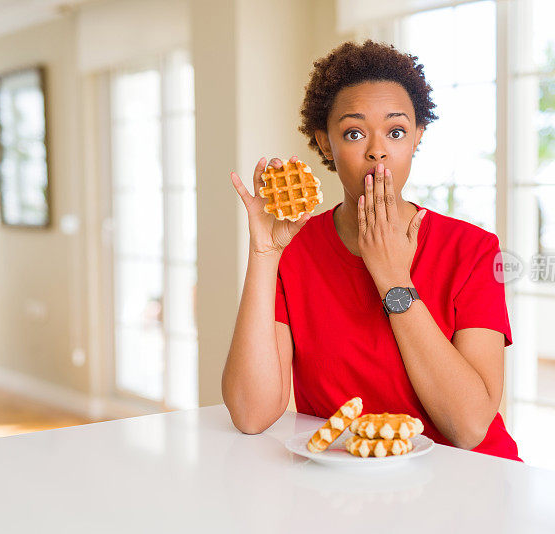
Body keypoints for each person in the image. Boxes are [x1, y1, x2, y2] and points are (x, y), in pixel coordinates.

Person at [223, 40, 522, 462]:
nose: (377, 149)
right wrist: (264, 252)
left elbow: (471, 427)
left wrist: (394, 280)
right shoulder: (294, 250)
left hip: (469, 482)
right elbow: (251, 414)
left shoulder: (473, 250)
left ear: (417, 138)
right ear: (325, 144)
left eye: (396, 131)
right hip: (348, 484)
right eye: (354, 132)